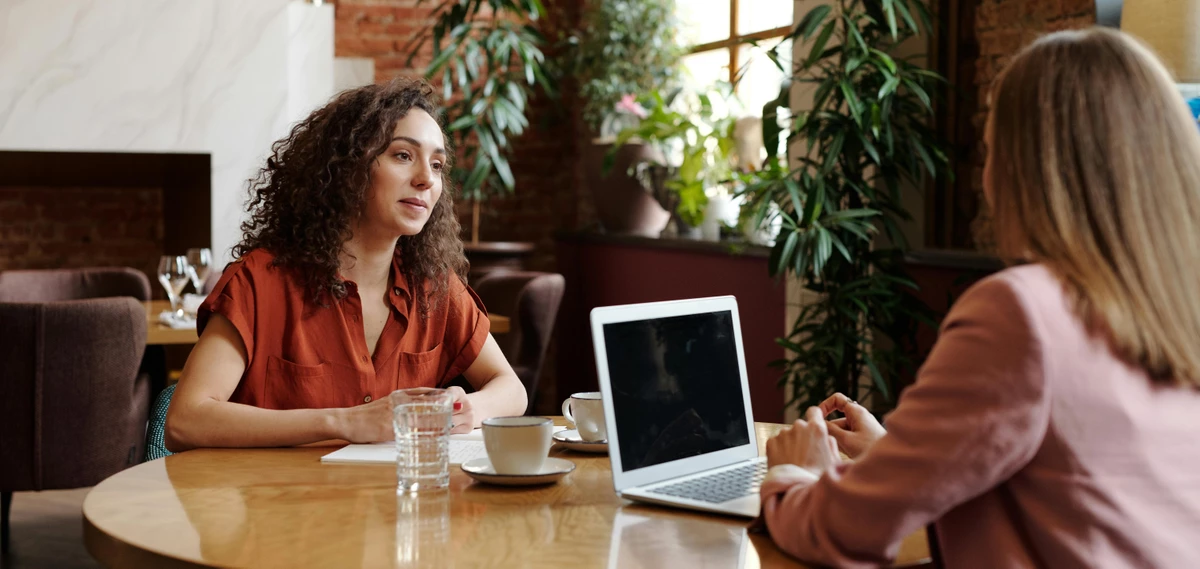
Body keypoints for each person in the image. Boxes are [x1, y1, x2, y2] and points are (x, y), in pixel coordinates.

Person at [760, 28, 1200, 568]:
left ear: (1028, 169)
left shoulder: (1023, 311)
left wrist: (797, 474)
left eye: (991, 149)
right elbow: (1078, 486)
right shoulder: (1176, 308)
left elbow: (844, 529)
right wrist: (892, 458)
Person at [165, 78, 527, 451]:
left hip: (396, 502)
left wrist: (471, 407)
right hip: (277, 503)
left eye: (437, 165)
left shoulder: (433, 286)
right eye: (403, 155)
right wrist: (343, 421)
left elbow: (512, 390)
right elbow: (185, 420)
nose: (426, 179)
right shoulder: (260, 281)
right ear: (348, 167)